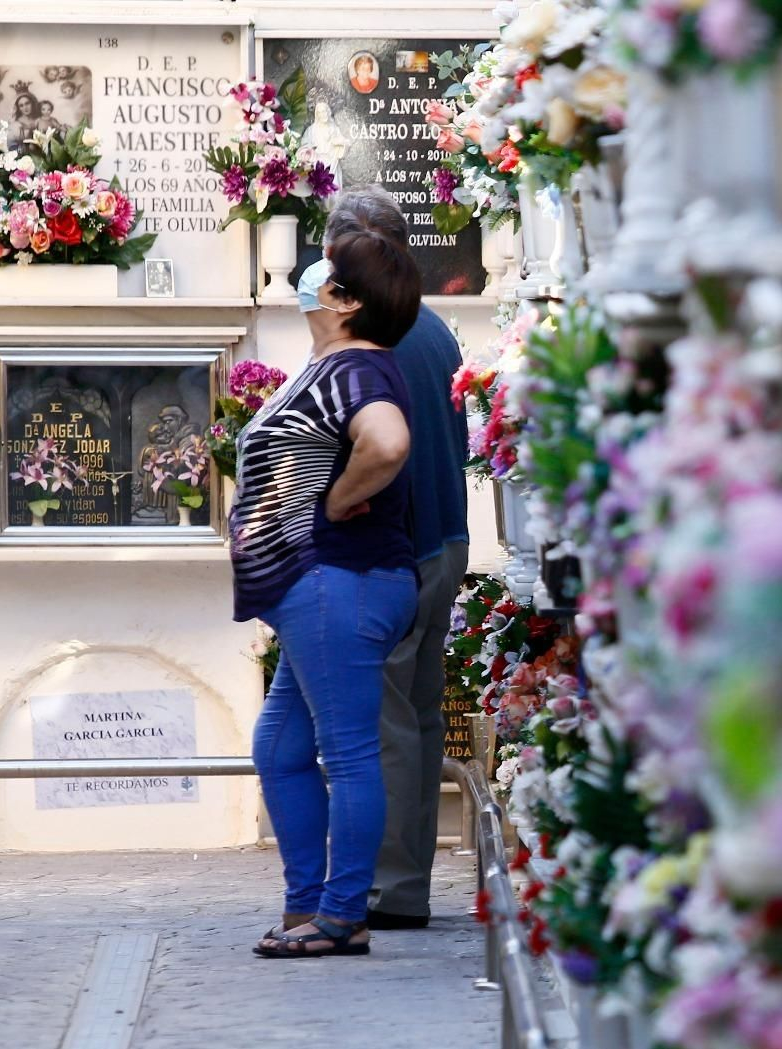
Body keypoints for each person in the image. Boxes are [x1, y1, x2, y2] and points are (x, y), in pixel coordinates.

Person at [232, 210, 424, 959]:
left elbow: (388, 441)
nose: (311, 276)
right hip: (316, 588)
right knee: (280, 749)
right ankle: (309, 902)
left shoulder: (359, 366)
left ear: (346, 301)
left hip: (341, 577)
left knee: (346, 754)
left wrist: (338, 501)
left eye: (326, 269)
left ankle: (342, 914)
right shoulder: (331, 365)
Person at [316, 186, 471, 929]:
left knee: (382, 721)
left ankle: (391, 888)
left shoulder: (369, 339)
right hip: (445, 539)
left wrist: (334, 503)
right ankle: (408, 878)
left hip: (394, 550)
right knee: (419, 710)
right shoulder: (435, 328)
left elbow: (377, 448)